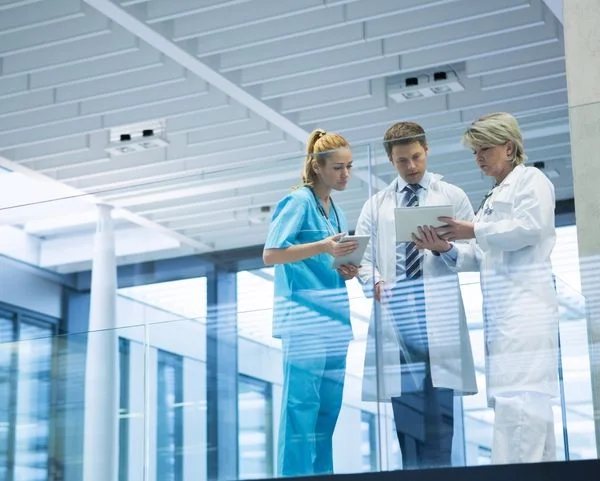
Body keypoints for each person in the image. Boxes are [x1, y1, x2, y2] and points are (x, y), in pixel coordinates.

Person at [414, 112, 559, 464]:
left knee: (520, 402)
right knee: (517, 404)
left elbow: (530, 228)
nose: (478, 157)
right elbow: (480, 255)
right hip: (503, 310)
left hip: (526, 306)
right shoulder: (493, 196)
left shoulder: (531, 180)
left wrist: (473, 230)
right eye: (475, 151)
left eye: (485, 149)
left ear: (509, 148)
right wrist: (445, 247)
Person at [355, 122, 477, 470]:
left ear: (427, 149)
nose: (411, 166)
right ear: (390, 160)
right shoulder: (376, 205)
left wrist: (445, 249)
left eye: (416, 157)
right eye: (402, 160)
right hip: (399, 318)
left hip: (436, 319)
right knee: (406, 423)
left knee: (440, 424)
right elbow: (364, 259)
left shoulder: (451, 196)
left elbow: (477, 252)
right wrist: (375, 283)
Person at [263, 129, 359, 477]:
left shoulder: (337, 212)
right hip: (304, 322)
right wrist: (323, 248)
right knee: (300, 409)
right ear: (317, 167)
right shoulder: (297, 202)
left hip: (335, 321)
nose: (345, 174)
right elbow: (271, 254)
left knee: (327, 413)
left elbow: (328, 261)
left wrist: (346, 268)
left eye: (349, 167)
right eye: (337, 168)